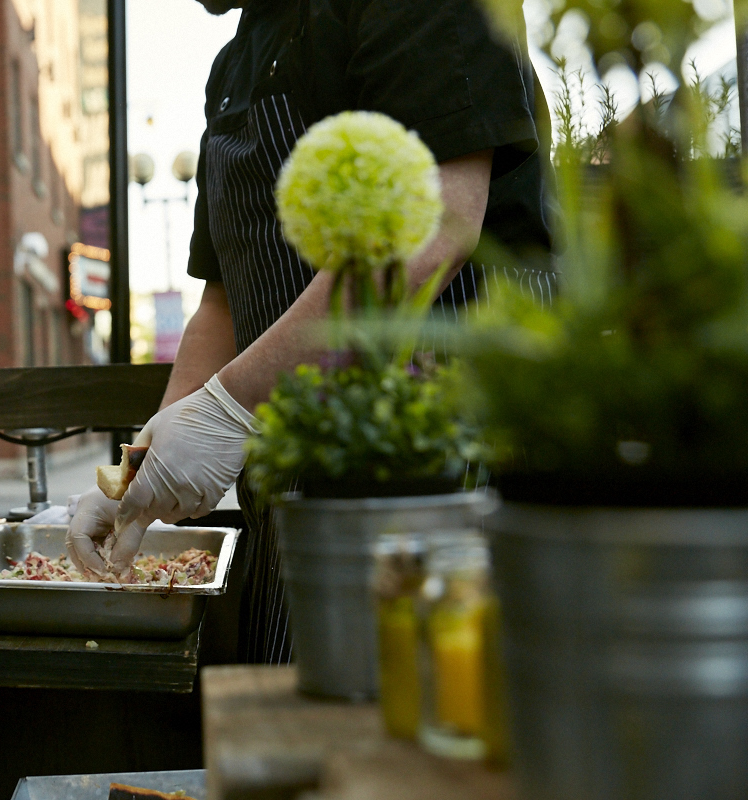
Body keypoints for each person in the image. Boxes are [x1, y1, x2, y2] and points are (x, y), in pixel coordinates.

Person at [66, 0, 553, 663]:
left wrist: (228, 407)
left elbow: (432, 226)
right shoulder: (236, 62)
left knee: (434, 717)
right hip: (297, 480)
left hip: (444, 457)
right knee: (303, 714)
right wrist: (142, 474)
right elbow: (225, 301)